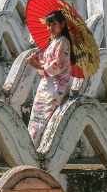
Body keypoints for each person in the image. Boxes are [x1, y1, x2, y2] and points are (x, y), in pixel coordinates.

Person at [27, 10, 73, 145]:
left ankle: (40, 147)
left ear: (62, 24)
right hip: (47, 85)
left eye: (54, 24)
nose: (50, 28)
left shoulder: (63, 41)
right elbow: (48, 66)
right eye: (48, 25)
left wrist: (38, 65)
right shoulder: (53, 42)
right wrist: (37, 63)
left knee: (45, 119)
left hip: (56, 88)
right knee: (37, 117)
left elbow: (58, 66)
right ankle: (32, 146)